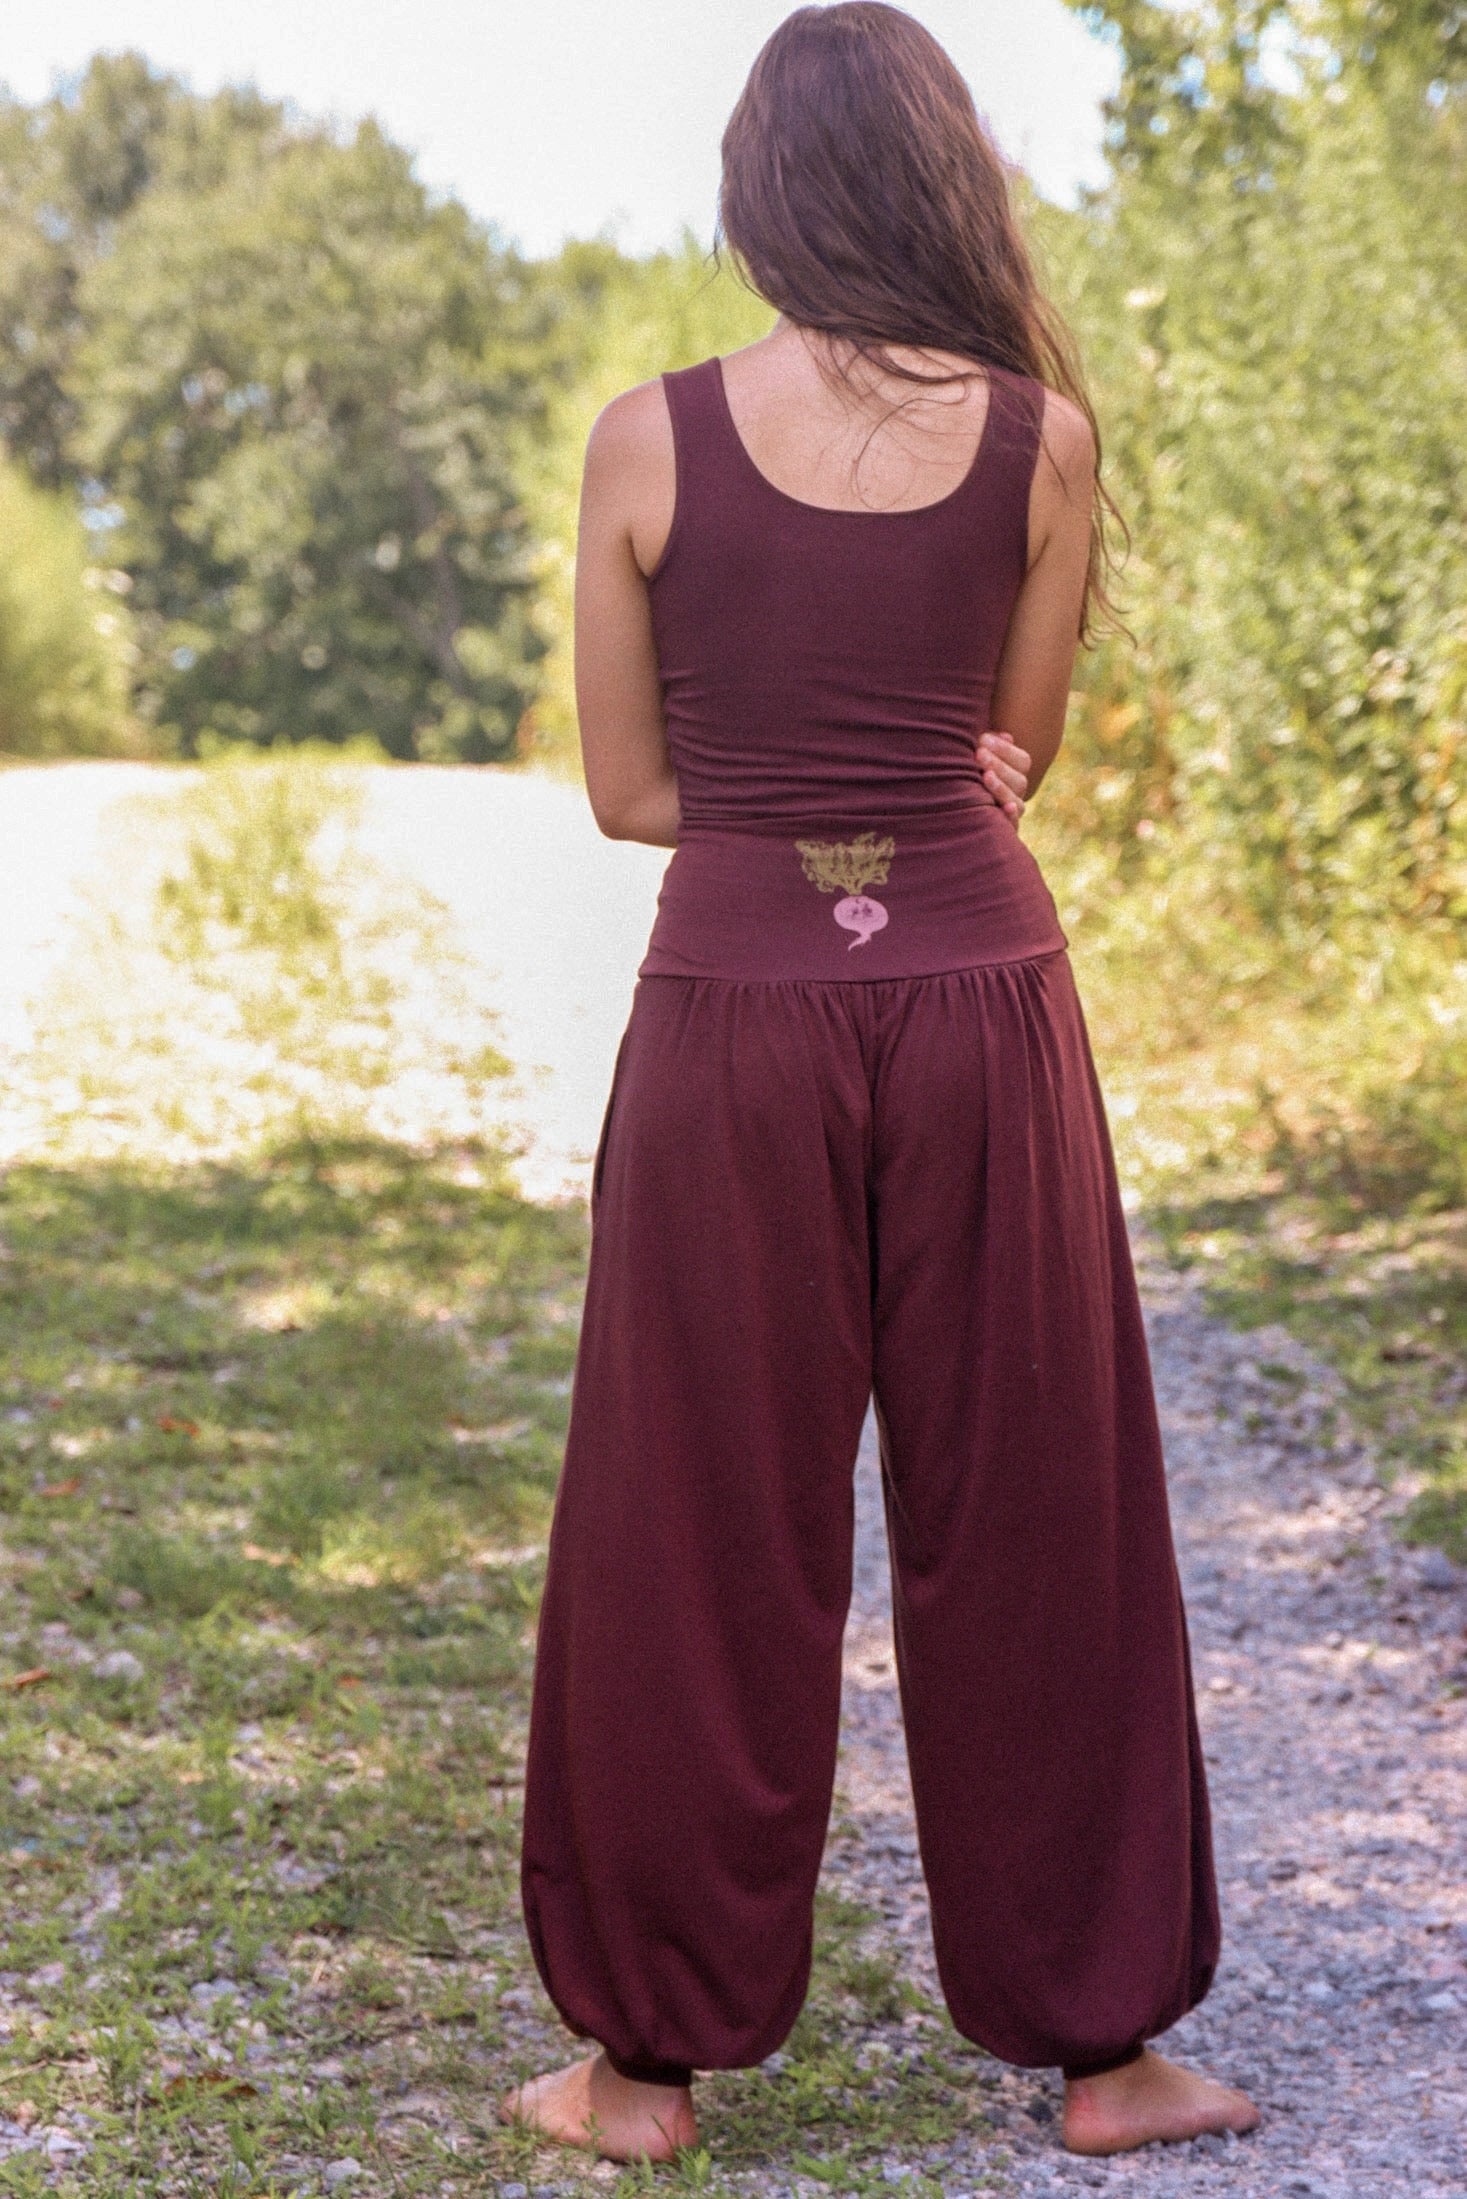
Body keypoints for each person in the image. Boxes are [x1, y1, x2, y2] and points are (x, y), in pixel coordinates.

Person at [502, 2, 1260, 2167]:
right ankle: (1104, 2053)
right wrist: (901, 808)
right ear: (945, 183)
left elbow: (628, 788)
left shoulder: (644, 441)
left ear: (756, 193)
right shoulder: (1044, 443)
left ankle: (640, 2069)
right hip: (978, 1001)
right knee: (1039, 1500)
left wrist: (779, 810)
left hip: (734, 1003)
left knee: (689, 1516)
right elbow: (1009, 754)